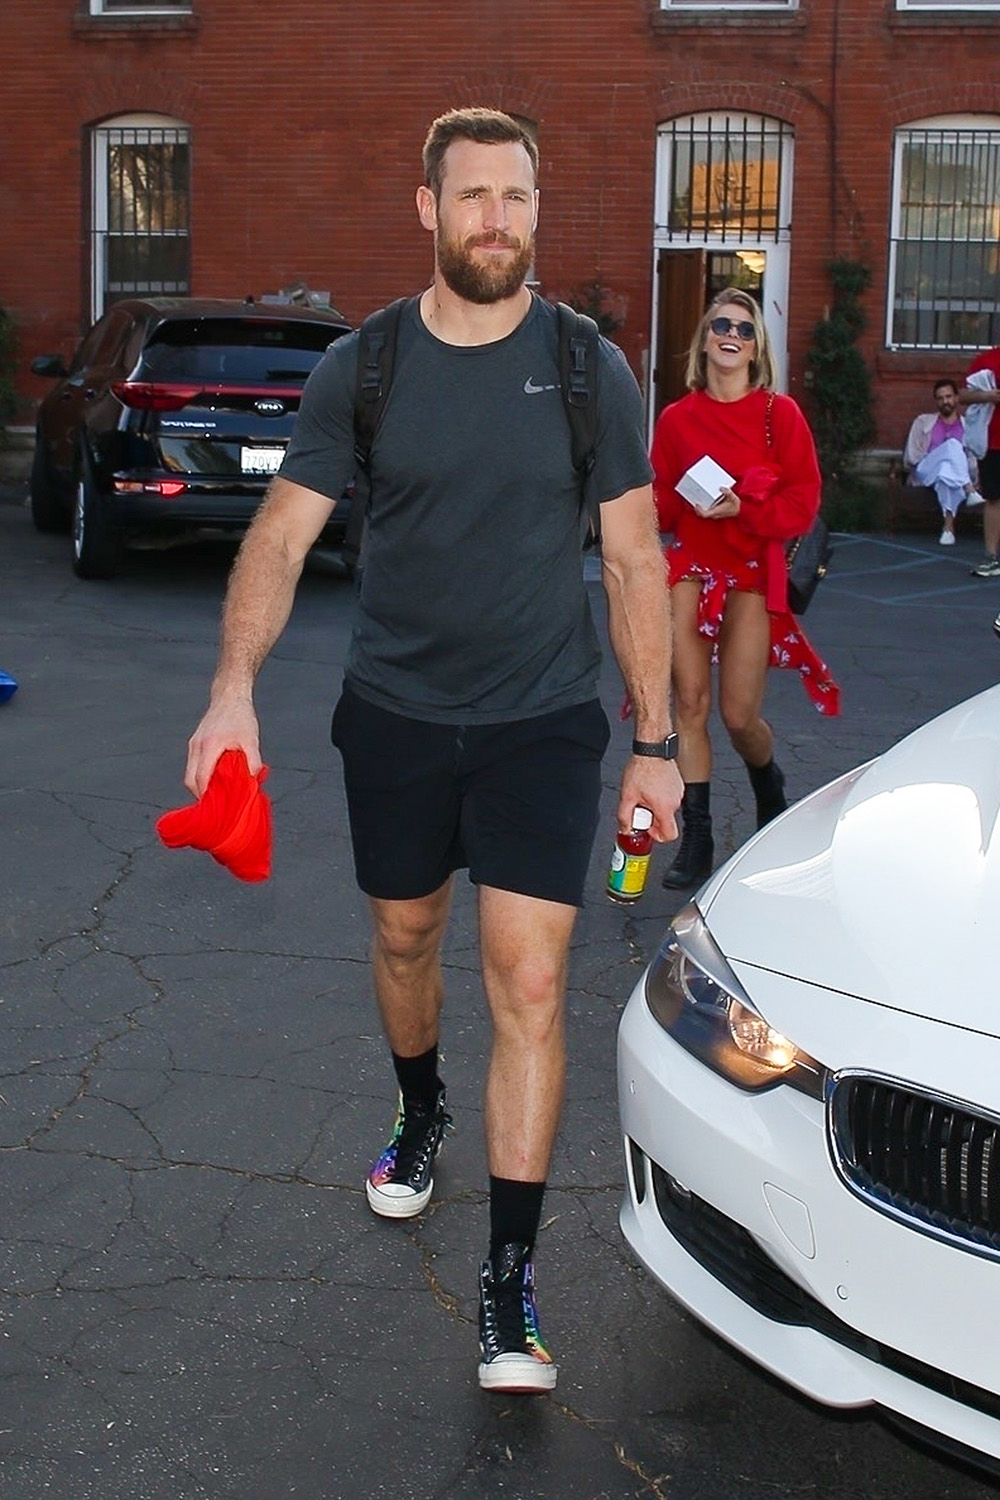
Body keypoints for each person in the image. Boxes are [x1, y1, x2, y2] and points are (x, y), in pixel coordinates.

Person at [183, 107, 682, 1395]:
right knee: (405, 936)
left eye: (517, 198)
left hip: (540, 722)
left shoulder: (589, 370)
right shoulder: (368, 368)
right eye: (473, 198)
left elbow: (633, 560)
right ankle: (420, 1107)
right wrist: (232, 689)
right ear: (427, 208)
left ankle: (508, 1285)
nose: (497, 222)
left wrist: (659, 744)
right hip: (398, 713)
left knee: (527, 982)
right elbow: (283, 538)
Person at [649, 287, 840, 891]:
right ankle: (698, 838)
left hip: (753, 575)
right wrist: (666, 502)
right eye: (721, 324)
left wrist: (740, 510)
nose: (732, 334)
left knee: (738, 715)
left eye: (746, 328)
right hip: (690, 569)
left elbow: (802, 502)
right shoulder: (677, 419)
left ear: (757, 350)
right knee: (691, 705)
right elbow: (660, 505)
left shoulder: (777, 416)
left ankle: (768, 783)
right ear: (705, 338)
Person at [903, 379, 980, 546]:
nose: (945, 401)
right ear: (936, 401)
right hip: (925, 470)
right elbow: (911, 456)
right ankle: (969, 488)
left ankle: (948, 529)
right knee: (952, 445)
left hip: (948, 475)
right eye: (940, 398)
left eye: (949, 396)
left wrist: (948, 465)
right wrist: (939, 458)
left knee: (945, 474)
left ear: (957, 398)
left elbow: (973, 459)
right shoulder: (923, 422)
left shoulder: (967, 426)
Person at [961, 345, 1000, 577]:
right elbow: (963, 395)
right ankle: (991, 557)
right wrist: (987, 396)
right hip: (993, 442)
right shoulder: (987, 359)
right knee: (994, 499)